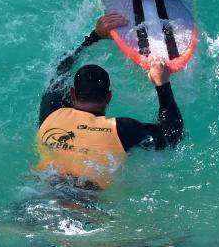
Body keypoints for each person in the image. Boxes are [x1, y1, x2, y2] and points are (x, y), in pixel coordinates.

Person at [36, 12, 184, 189]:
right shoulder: (121, 130)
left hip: (39, 189)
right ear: (109, 98)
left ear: (72, 94)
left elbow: (60, 72)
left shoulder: (50, 112)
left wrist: (94, 36)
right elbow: (173, 134)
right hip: (84, 198)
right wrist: (162, 83)